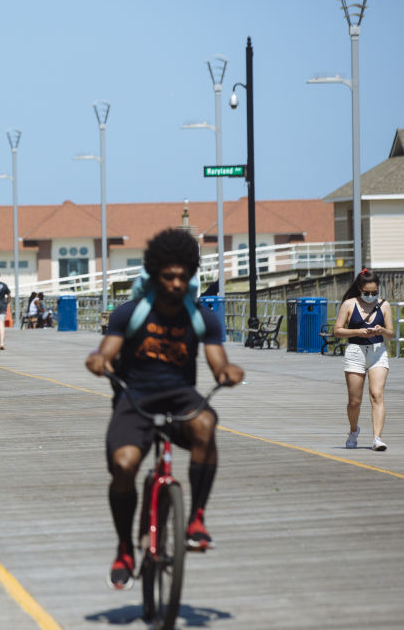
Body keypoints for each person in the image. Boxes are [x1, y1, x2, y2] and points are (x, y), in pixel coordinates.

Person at [85, 228, 243, 590]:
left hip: (179, 397)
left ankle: (197, 519)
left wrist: (228, 372)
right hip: (134, 399)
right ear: (155, 275)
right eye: (168, 276)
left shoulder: (202, 317)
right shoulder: (130, 313)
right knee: (124, 467)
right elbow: (107, 352)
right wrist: (98, 360)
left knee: (206, 423)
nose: (175, 283)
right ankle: (125, 547)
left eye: (182, 277)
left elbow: (218, 362)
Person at [333, 268, 392, 451]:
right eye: (367, 293)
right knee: (354, 401)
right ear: (360, 288)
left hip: (377, 352)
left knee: (377, 395)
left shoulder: (384, 305)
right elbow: (337, 330)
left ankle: (377, 438)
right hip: (355, 351)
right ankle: (353, 430)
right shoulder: (349, 304)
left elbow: (391, 333)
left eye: (374, 293)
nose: (371, 296)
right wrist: (358, 331)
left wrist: (381, 331)